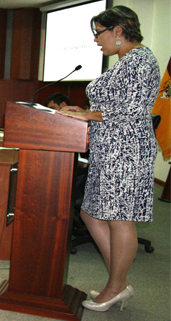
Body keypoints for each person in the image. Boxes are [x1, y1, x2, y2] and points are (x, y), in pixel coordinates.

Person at [58, 6, 160, 313]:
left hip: (127, 152)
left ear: (118, 30)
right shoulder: (126, 61)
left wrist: (89, 114)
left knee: (120, 218)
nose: (95, 41)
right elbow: (115, 104)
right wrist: (84, 112)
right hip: (109, 150)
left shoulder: (141, 60)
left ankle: (115, 286)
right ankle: (120, 281)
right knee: (91, 214)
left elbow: (131, 110)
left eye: (98, 33)